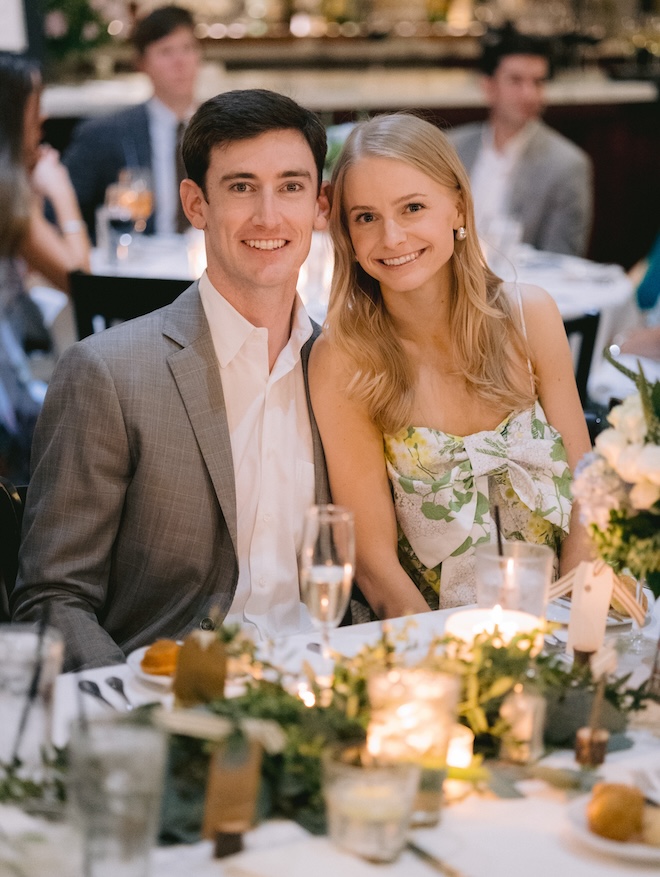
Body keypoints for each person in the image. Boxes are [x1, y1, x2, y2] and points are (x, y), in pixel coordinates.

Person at [11, 88, 331, 671]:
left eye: (291, 187)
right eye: (240, 187)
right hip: (167, 703)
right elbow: (52, 598)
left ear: (320, 205)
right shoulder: (108, 373)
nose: (269, 215)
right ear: (195, 203)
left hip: (323, 693)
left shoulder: (347, 369)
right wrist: (133, 714)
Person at [309, 113, 591, 620]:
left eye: (412, 207)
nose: (392, 237)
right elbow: (374, 565)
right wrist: (441, 665)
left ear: (458, 206)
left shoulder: (532, 318)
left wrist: (565, 630)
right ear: (347, 235)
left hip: (556, 626)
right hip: (425, 640)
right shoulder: (344, 359)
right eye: (366, 217)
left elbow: (586, 500)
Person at [0, 52, 89, 482]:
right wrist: (61, 193)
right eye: (37, 103)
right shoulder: (6, 194)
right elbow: (83, 282)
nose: (46, 114)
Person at [447, 25, 593, 257]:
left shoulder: (567, 164)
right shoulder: (451, 147)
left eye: (538, 82)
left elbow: (561, 260)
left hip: (519, 287)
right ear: (488, 86)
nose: (530, 94)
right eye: (516, 81)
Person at [64, 5, 201, 240]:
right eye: (166, 51)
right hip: (142, 261)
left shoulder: (221, 129)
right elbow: (58, 210)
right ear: (142, 63)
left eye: (188, 48)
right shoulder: (106, 134)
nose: (181, 62)